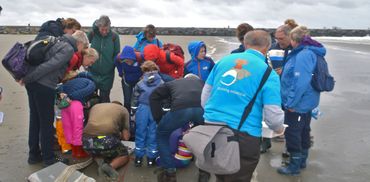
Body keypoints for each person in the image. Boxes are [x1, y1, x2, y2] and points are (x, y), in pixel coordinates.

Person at [201, 30, 285, 181]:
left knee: (220, 173)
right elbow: (273, 116)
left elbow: (204, 98)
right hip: (243, 135)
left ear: (245, 44)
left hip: (211, 128)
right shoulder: (269, 73)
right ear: (268, 47)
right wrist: (279, 130)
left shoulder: (223, 62)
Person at [17, 34, 77, 166]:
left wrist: (27, 79)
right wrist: (29, 78)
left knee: (35, 119)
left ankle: (34, 155)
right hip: (43, 86)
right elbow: (49, 66)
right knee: (46, 122)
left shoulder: (52, 42)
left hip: (31, 85)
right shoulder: (67, 49)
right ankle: (48, 158)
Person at [277, 26, 324, 176]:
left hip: (298, 104)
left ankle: (294, 166)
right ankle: (302, 160)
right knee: (304, 131)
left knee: (293, 133)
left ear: (294, 39)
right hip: (306, 103)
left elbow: (300, 82)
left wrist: (290, 103)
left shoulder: (304, 54)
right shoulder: (310, 52)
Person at [149, 74, 205, 182]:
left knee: (162, 135)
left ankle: (170, 173)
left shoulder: (173, 83)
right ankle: (204, 172)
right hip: (201, 110)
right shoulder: (202, 83)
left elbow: (154, 96)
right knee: (203, 138)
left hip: (180, 109)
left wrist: (159, 119)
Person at [261, 23, 296, 153]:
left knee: (290, 120)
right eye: (276, 38)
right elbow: (264, 66)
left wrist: (286, 71)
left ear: (290, 36)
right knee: (267, 117)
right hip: (273, 89)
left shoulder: (297, 50)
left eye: (281, 38)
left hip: (290, 91)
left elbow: (304, 71)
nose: (278, 41)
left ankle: (289, 148)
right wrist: (270, 72)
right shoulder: (271, 50)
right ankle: (265, 143)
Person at [83, 101, 130, 179]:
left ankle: (100, 160)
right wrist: (120, 133)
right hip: (105, 141)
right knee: (124, 155)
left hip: (86, 141)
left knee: (97, 148)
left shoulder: (96, 106)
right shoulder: (123, 110)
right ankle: (108, 167)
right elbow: (126, 137)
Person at [131, 61, 164, 167]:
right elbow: (165, 98)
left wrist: (133, 112)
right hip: (156, 108)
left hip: (142, 108)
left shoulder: (140, 83)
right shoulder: (161, 82)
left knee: (140, 131)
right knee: (153, 132)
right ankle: (151, 158)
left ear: (144, 70)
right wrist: (164, 111)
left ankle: (139, 158)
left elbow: (135, 98)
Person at [88, 15, 121, 103]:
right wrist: (86, 65)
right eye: (102, 29)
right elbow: (84, 49)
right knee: (91, 99)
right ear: (98, 27)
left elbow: (117, 55)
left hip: (107, 75)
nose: (104, 32)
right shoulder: (93, 34)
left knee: (105, 100)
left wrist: (113, 67)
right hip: (92, 72)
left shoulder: (114, 37)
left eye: (106, 29)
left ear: (110, 26)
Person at [115, 45, 143, 114]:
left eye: (129, 60)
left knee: (139, 99)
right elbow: (116, 62)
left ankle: (138, 114)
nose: (128, 63)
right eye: (125, 61)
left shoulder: (140, 57)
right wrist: (120, 72)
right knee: (127, 100)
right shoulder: (119, 58)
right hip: (126, 81)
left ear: (133, 58)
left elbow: (148, 64)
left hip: (138, 81)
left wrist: (144, 75)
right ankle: (127, 116)